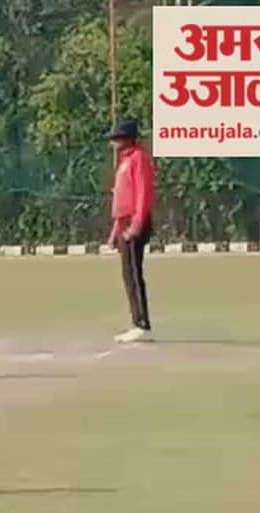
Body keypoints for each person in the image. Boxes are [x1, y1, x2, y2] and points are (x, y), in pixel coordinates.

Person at [106, 118, 156, 344]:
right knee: (128, 274)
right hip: (125, 223)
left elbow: (143, 194)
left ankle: (141, 323)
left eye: (116, 138)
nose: (113, 142)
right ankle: (137, 321)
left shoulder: (139, 159)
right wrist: (116, 230)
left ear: (127, 139)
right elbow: (121, 200)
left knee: (134, 274)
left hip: (136, 224)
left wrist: (136, 226)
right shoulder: (123, 162)